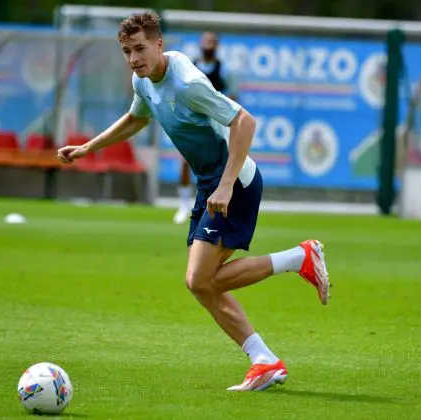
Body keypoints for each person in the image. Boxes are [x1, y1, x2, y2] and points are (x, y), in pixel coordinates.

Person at [57, 11, 331, 392]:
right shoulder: (144, 81)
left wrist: (226, 185)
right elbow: (137, 118)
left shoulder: (187, 83)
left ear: (158, 45)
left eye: (140, 48)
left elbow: (245, 122)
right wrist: (89, 146)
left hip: (234, 184)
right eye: (126, 51)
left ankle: (298, 261)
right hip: (210, 185)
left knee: (199, 279)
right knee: (201, 283)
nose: (134, 58)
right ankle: (265, 358)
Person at [174, 31, 237, 225]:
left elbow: (233, 97)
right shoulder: (190, 68)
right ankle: (184, 205)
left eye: (212, 41)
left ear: (217, 46)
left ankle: (220, 204)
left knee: (221, 164)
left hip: (216, 123)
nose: (208, 44)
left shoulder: (224, 70)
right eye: (205, 41)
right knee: (185, 162)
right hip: (195, 122)